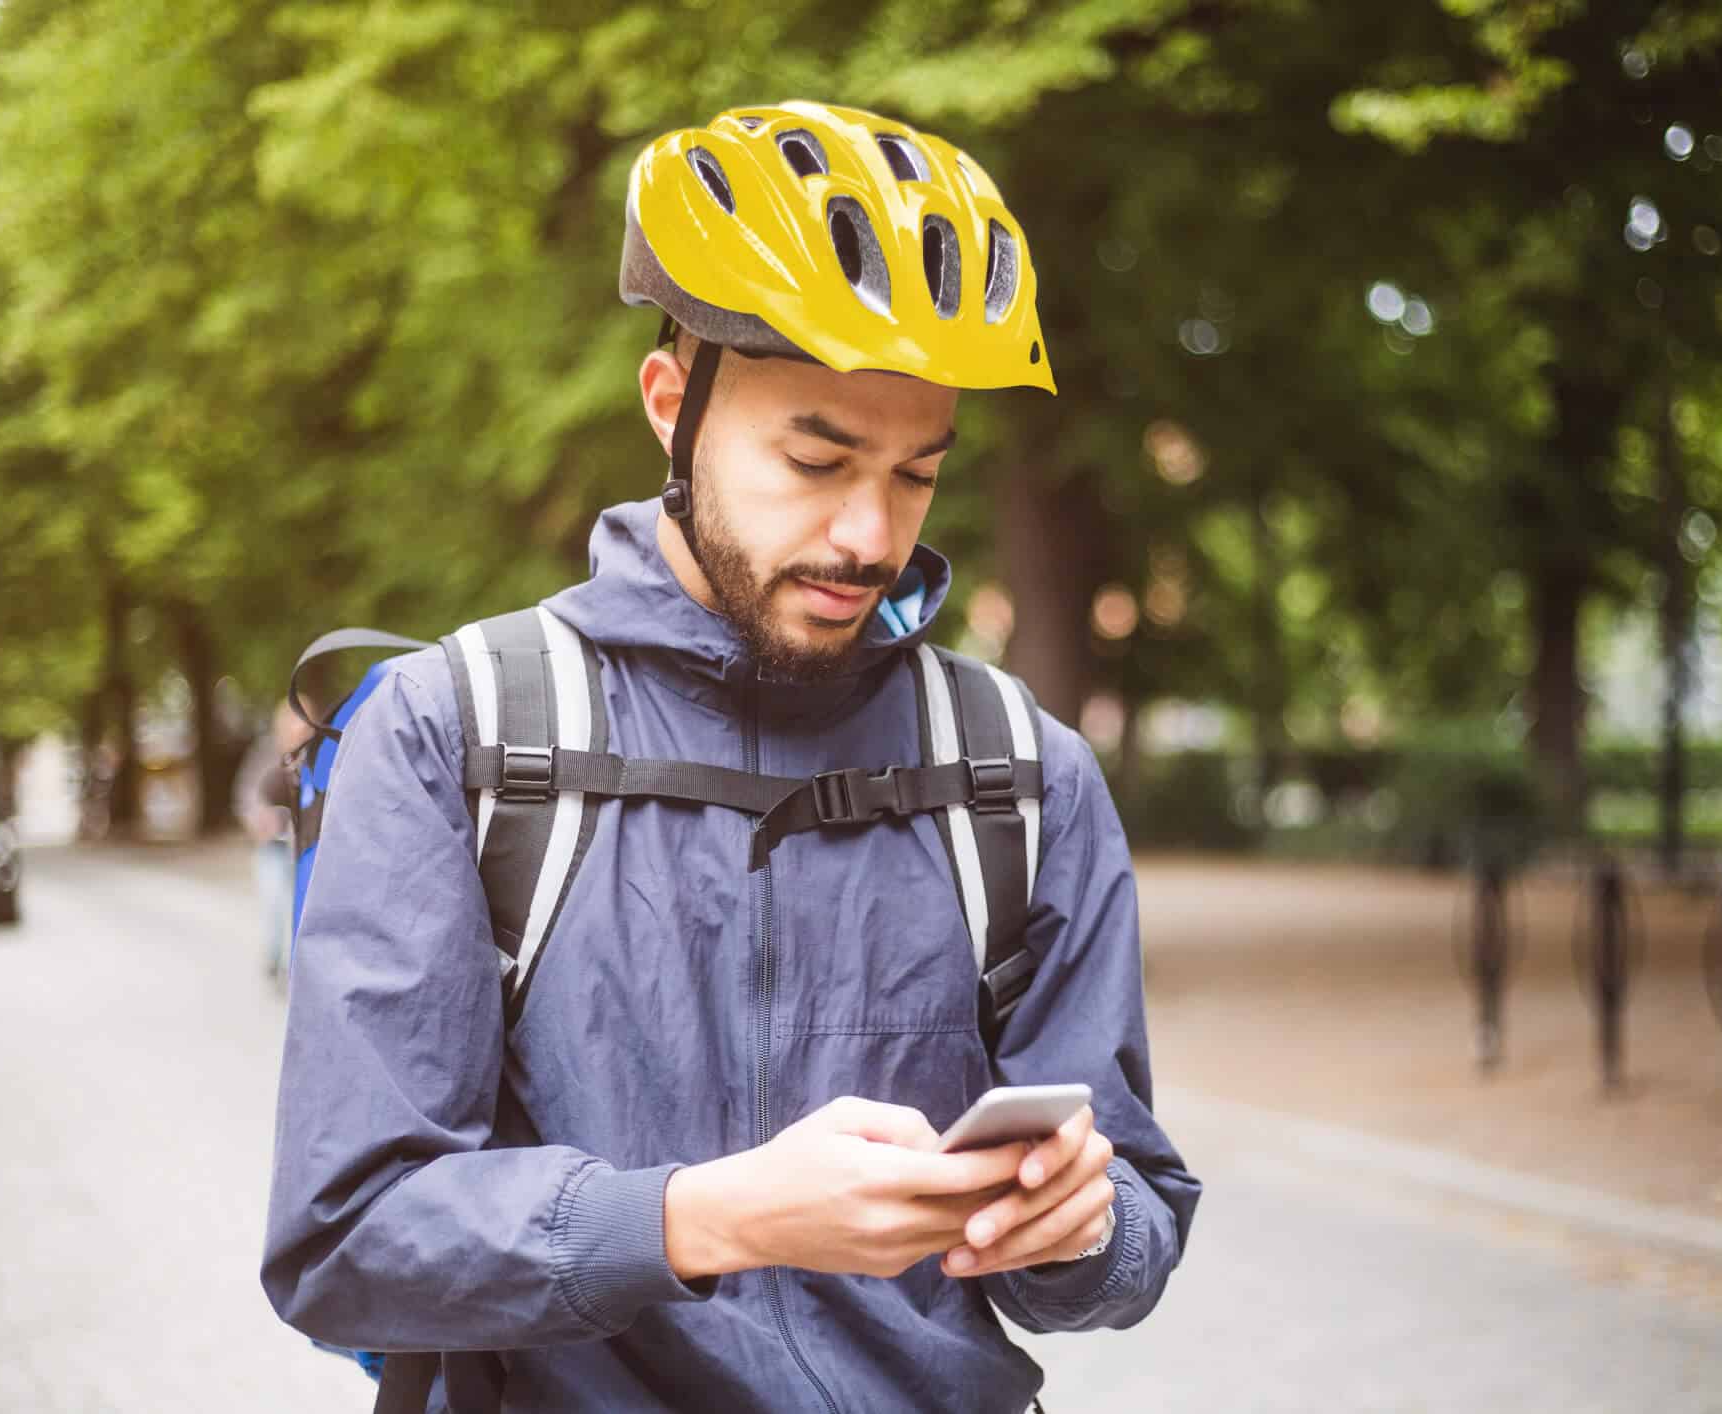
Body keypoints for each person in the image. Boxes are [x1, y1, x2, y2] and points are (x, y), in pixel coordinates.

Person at [262, 102, 1198, 1413]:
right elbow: (344, 1239)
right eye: (814, 457)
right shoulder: (453, 730)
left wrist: (1078, 1230)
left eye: (915, 472)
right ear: (670, 405)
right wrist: (708, 1217)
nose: (867, 533)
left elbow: (1135, 1215)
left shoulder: (1023, 775)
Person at [233, 700, 311, 979]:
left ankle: (295, 966)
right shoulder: (265, 756)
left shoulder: (314, 758)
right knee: (273, 901)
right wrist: (259, 821)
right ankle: (272, 958)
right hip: (271, 847)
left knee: (298, 905)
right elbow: (246, 795)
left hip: (303, 847)